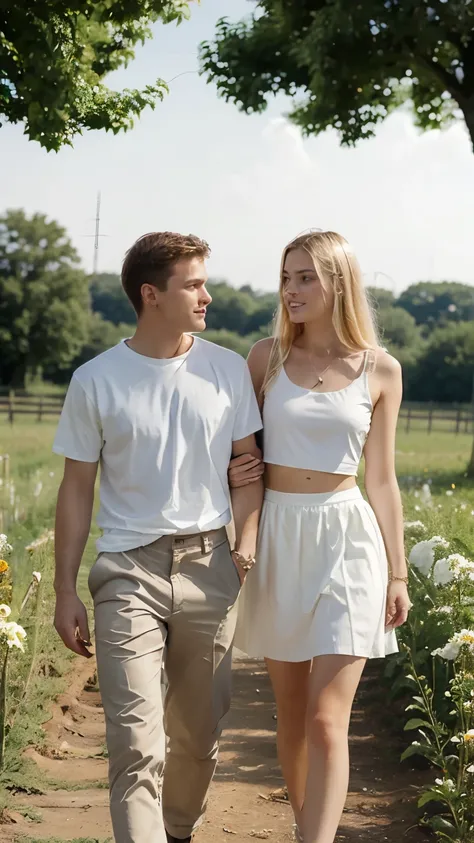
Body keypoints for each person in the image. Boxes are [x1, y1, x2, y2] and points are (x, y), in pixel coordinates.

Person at [52, 231, 263, 843]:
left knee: (198, 738)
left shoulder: (226, 370)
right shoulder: (95, 380)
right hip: (125, 572)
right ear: (152, 295)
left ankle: (178, 830)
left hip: (210, 566)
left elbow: (249, 471)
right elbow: (75, 489)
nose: (208, 295)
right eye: (194, 284)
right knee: (136, 740)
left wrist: (243, 545)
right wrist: (66, 590)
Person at [227, 230, 411, 843]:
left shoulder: (380, 369)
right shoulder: (265, 358)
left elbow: (382, 480)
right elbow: (240, 456)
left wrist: (397, 570)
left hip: (348, 537)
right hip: (280, 535)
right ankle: (307, 825)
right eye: (287, 277)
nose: (292, 289)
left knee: (329, 721)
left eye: (306, 276)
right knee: (293, 716)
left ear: (339, 282)